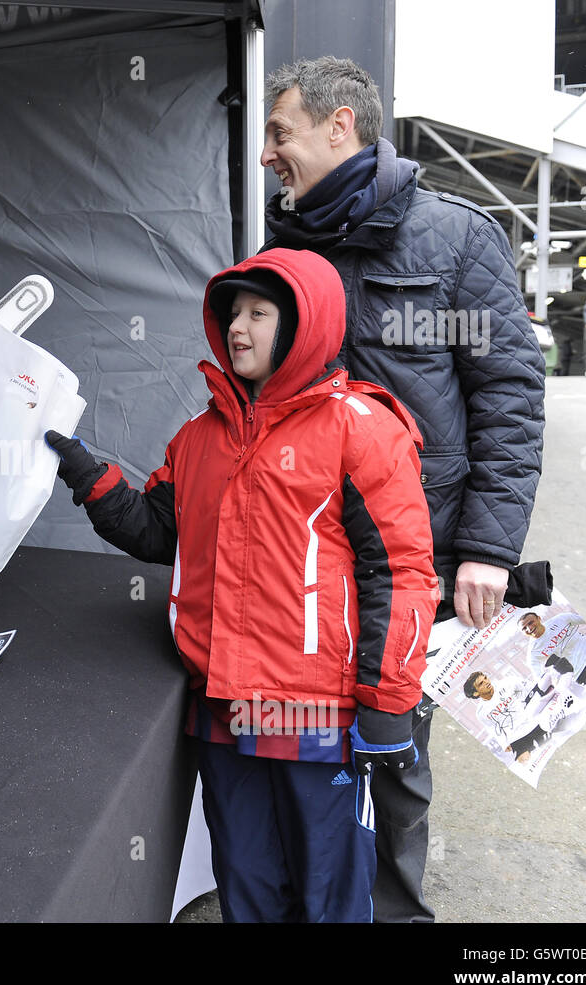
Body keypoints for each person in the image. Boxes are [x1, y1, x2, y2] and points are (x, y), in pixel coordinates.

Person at [47, 248, 437, 922]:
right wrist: (91, 478)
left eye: (260, 313)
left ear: (305, 325)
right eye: (232, 312)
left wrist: (388, 701)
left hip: (319, 713)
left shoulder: (361, 427)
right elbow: (159, 534)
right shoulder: (200, 436)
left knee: (331, 896)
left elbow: (399, 572)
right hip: (224, 708)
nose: (238, 328)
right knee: (247, 889)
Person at [259, 56, 546, 922]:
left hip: (410, 561)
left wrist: (491, 549)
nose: (268, 154)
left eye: (280, 133)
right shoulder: (281, 250)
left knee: (393, 756)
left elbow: (508, 395)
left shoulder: (457, 239)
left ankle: (390, 913)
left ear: (338, 126)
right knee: (297, 748)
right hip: (301, 560)